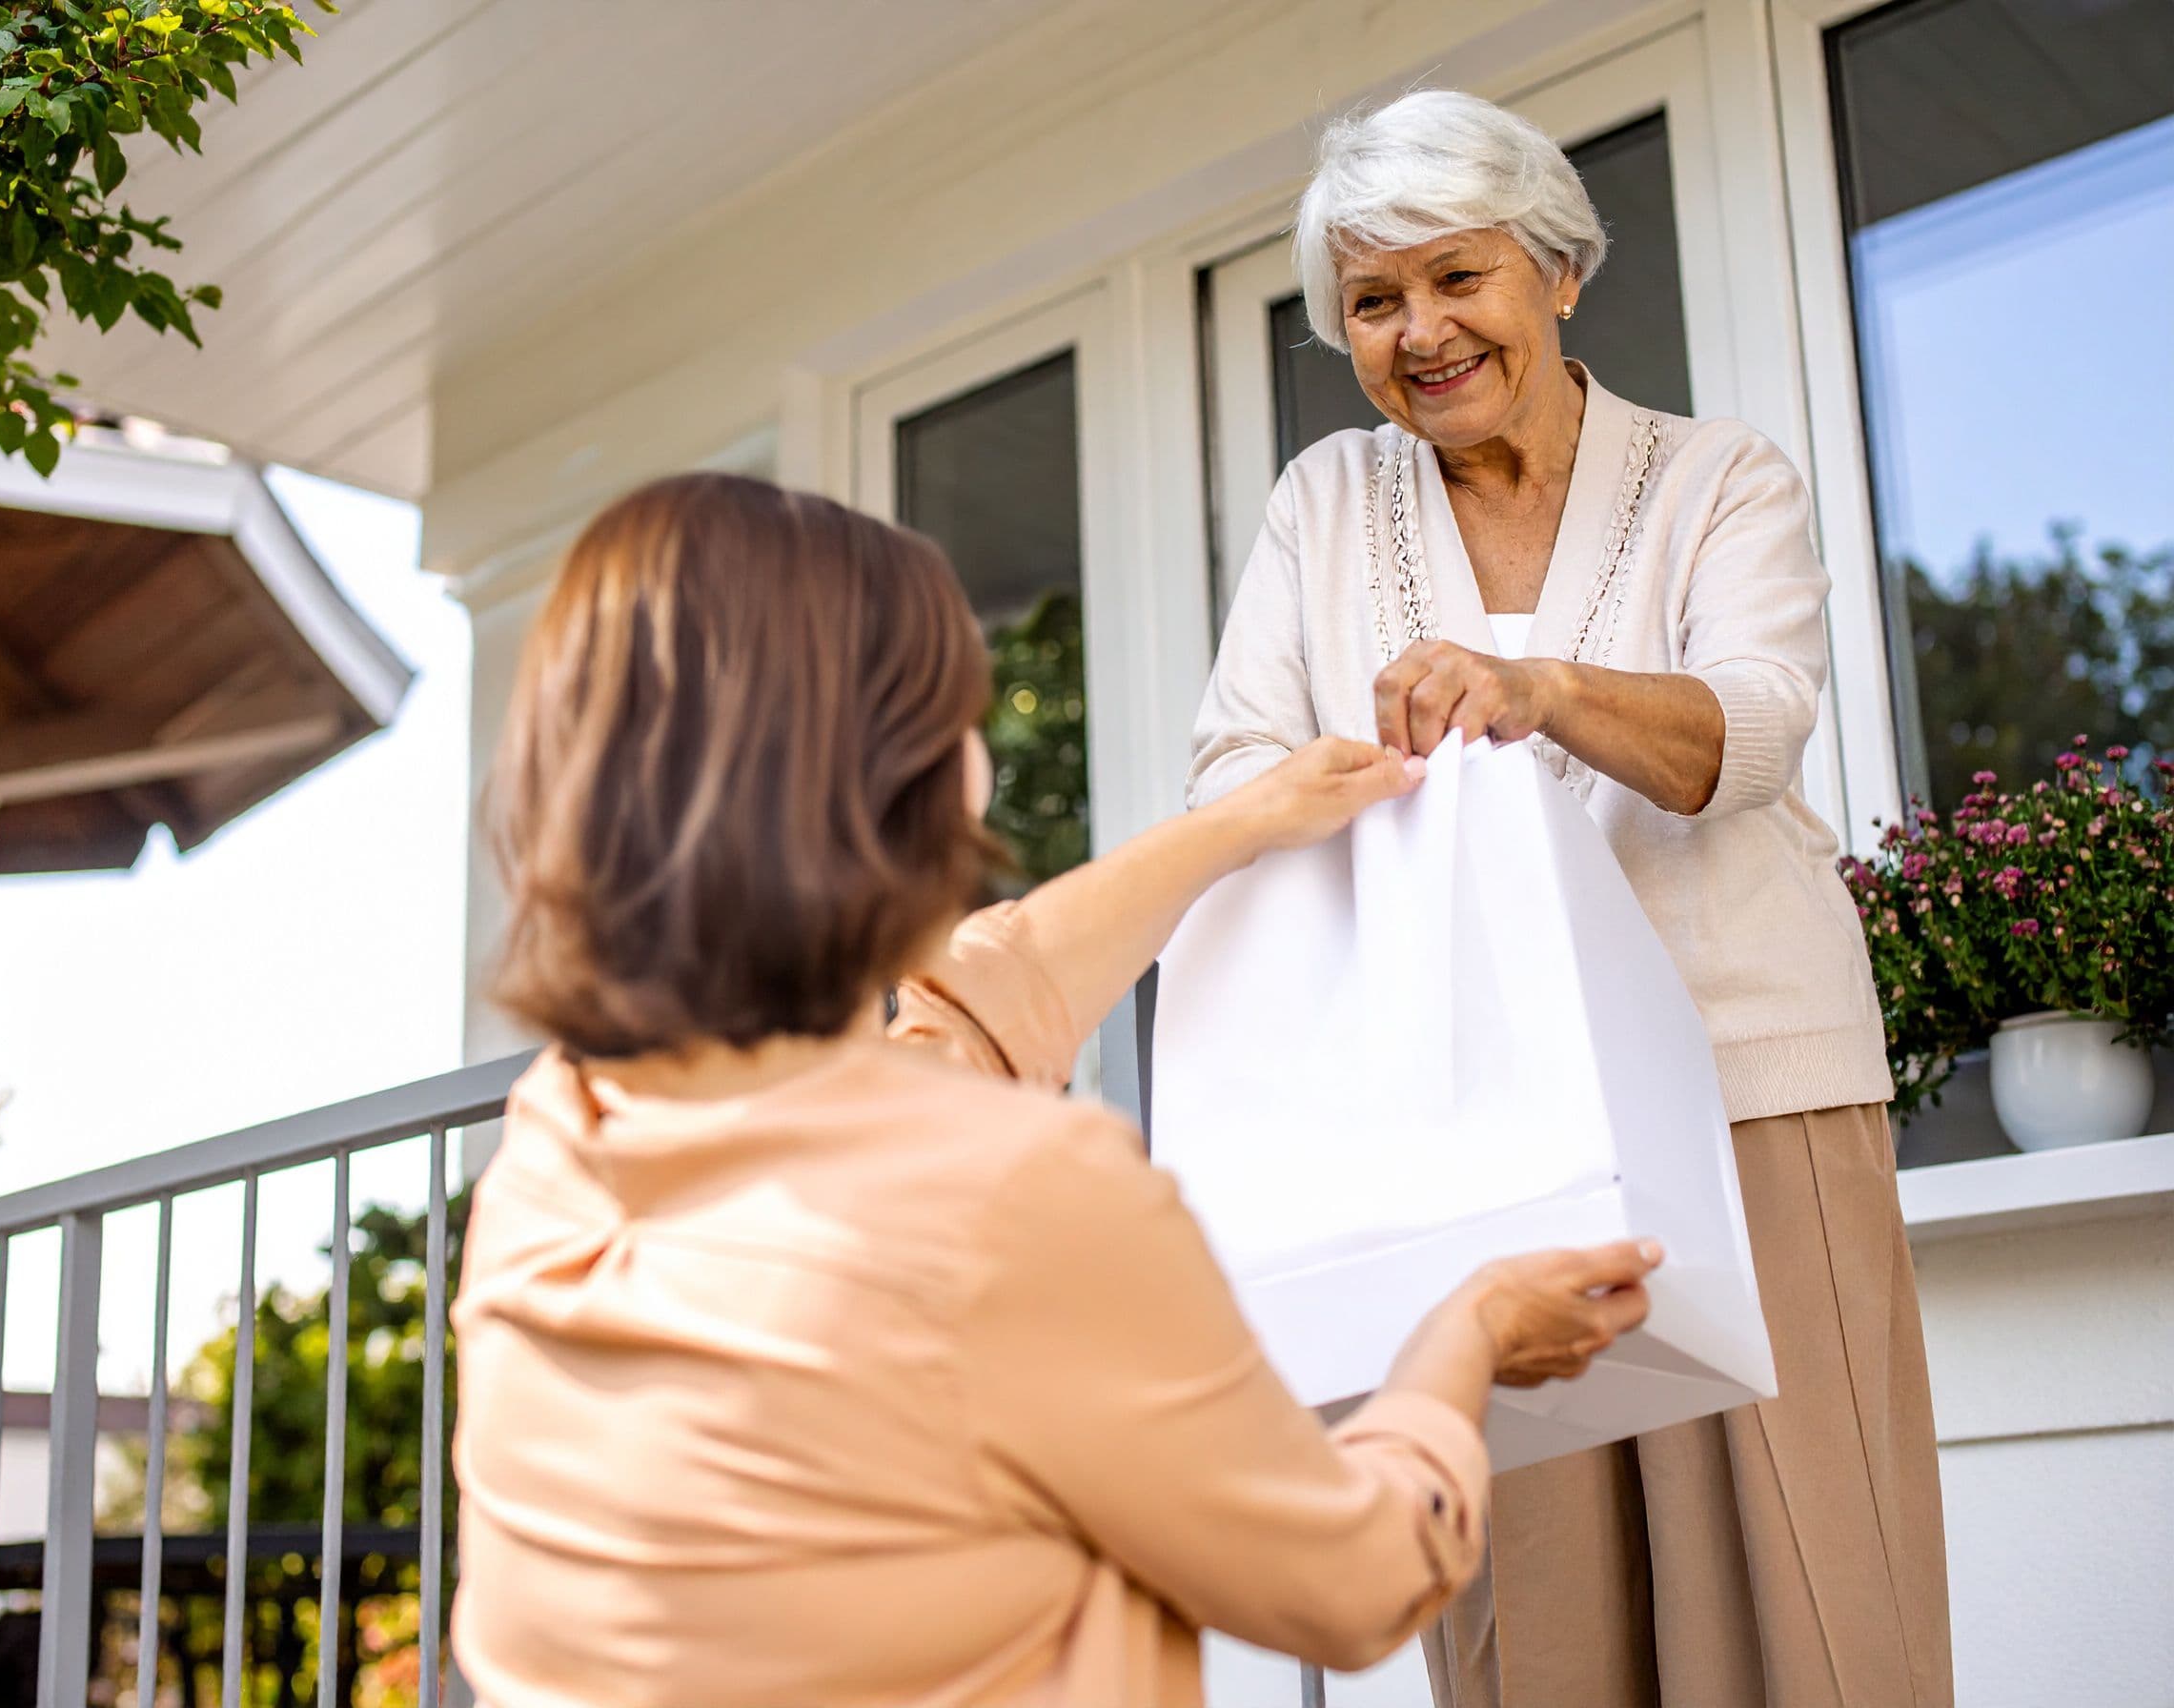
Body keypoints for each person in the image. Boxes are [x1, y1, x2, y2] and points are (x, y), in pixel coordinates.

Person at [448, 471, 1662, 1708]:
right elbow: (1351, 1579)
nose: (974, 767)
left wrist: (1237, 825)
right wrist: (1469, 1336)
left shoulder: (550, 1155)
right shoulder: (1017, 1200)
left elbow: (961, 1022)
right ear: (898, 783)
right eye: (951, 722)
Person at [1188, 88, 1949, 1708]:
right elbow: (1229, 777)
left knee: (1821, 1590)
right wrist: (1337, 782)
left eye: (1457, 278)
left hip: (1754, 1086)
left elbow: (1748, 729)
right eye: (1373, 303)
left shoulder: (1716, 479)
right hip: (1473, 1124)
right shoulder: (1325, 504)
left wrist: (1535, 688)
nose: (1420, 333)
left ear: (1558, 272)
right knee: (1541, 1628)